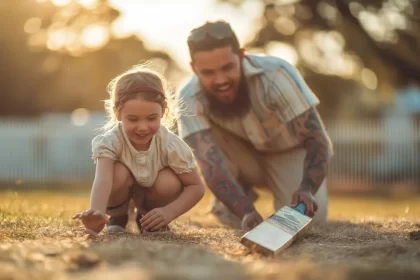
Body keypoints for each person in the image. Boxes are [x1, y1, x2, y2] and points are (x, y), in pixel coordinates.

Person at [176, 20, 334, 231]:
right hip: (240, 158)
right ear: (194, 69)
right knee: (209, 152)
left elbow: (317, 139)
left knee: (310, 220)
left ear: (242, 56)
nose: (220, 79)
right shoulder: (188, 97)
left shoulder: (276, 74)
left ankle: (248, 197)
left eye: (227, 67)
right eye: (208, 73)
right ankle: (236, 197)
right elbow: (209, 165)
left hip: (288, 153)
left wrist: (306, 188)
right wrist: (246, 211)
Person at [73, 64, 205, 237]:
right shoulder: (110, 141)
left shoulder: (171, 145)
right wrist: (96, 213)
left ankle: (149, 218)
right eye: (133, 119)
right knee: (117, 172)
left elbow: (196, 186)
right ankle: (117, 216)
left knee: (170, 181)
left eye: (151, 118)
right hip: (120, 192)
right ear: (118, 113)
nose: (142, 127)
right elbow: (103, 179)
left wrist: (169, 212)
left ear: (163, 112)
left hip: (155, 196)